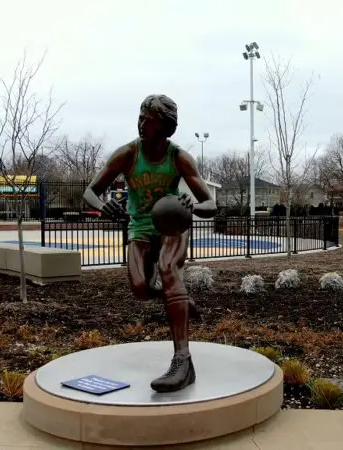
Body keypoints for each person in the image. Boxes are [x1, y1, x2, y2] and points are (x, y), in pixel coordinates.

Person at [82, 94, 217, 393]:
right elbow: (90, 192)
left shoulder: (179, 157)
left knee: (169, 270)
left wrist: (191, 207)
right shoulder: (128, 154)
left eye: (148, 121)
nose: (141, 124)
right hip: (141, 226)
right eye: (140, 117)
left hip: (171, 223)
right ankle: (180, 299)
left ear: (165, 127)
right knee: (141, 289)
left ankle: (183, 360)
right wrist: (102, 205)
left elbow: (210, 203)